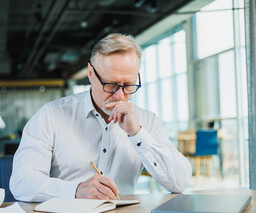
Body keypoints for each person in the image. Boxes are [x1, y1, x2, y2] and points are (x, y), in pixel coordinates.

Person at [10, 33, 192, 202]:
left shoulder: (148, 122)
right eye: (111, 85)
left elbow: (180, 183)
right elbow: (21, 182)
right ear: (90, 73)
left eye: (128, 85)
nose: (120, 96)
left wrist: (136, 133)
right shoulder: (50, 115)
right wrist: (75, 190)